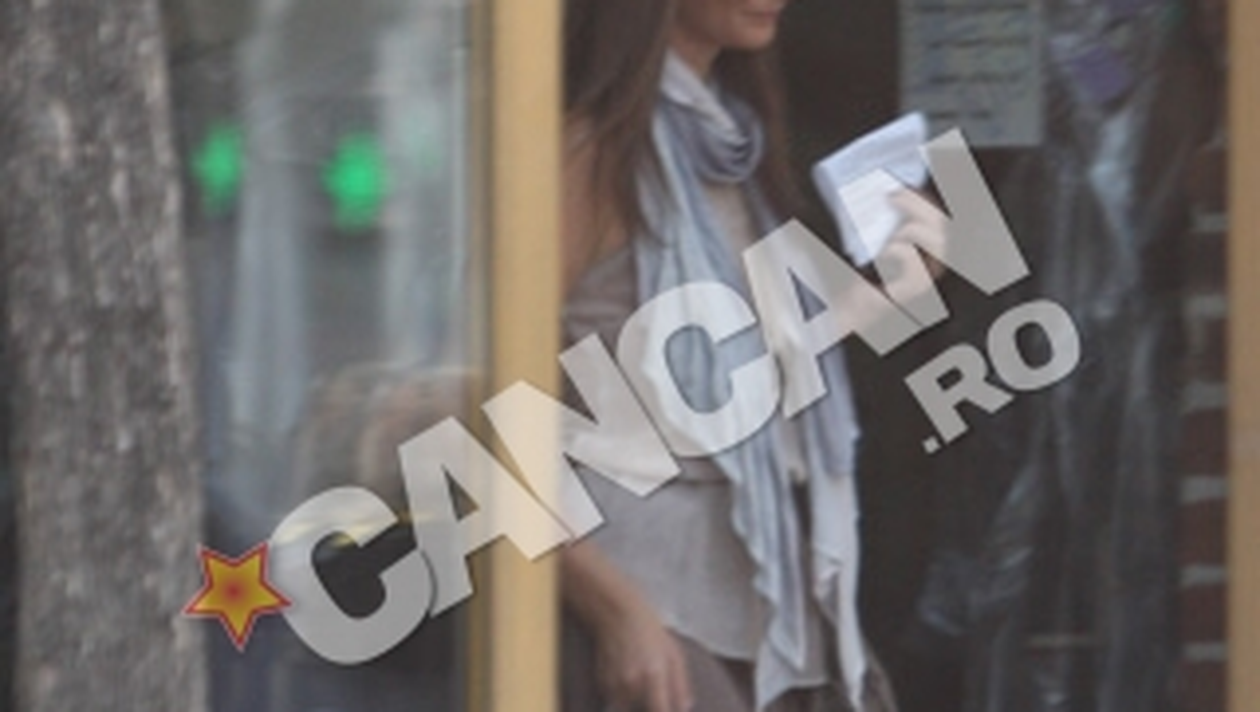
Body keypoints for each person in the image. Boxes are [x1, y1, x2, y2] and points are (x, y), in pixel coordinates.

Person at [558, 1, 945, 710]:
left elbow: (748, 372)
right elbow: (495, 408)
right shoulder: (594, 153)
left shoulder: (735, 149)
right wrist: (616, 613)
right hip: (643, 590)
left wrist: (885, 292)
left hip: (771, 600)